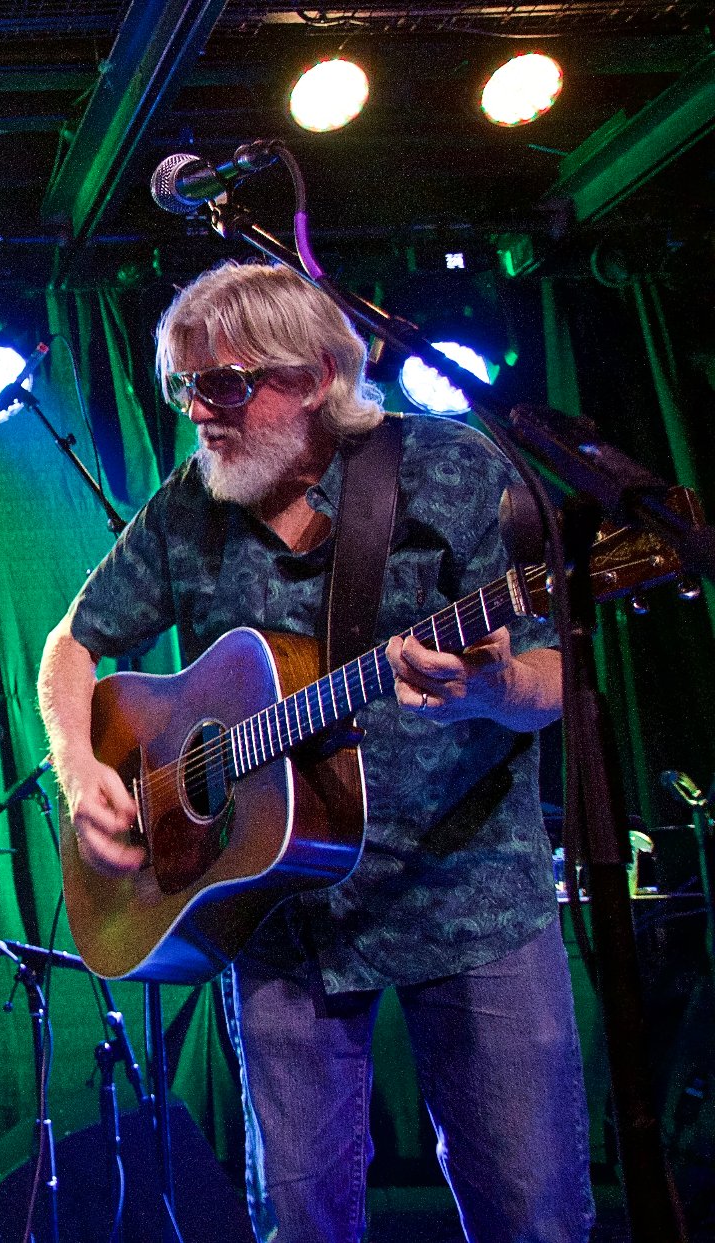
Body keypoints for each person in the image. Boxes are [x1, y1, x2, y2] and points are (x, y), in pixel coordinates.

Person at [35, 260, 591, 1241]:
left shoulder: (450, 470)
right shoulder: (184, 508)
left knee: (528, 1211)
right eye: (181, 388)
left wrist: (492, 686)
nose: (196, 412)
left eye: (223, 384)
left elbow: (551, 681)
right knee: (297, 1223)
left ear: (321, 373)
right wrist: (83, 772)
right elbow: (71, 649)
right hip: (279, 917)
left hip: (463, 896)